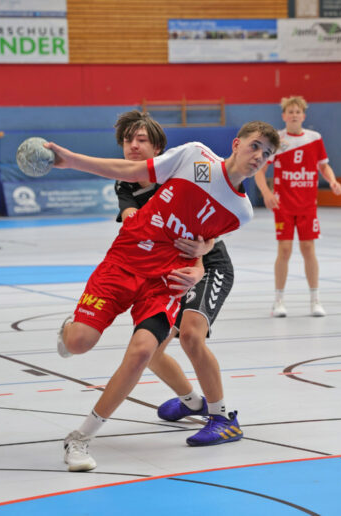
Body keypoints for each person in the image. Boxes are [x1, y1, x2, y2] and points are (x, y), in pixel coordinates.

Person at [46, 117, 280, 471]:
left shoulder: (241, 212)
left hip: (166, 279)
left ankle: (81, 437)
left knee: (150, 349)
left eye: (267, 153)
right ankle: (187, 398)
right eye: (255, 146)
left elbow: (205, 244)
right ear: (236, 144)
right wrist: (71, 160)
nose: (259, 156)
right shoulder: (194, 156)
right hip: (125, 261)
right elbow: (130, 170)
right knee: (79, 342)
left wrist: (198, 268)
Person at [113, 111, 235, 435]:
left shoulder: (178, 175)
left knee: (192, 336)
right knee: (149, 349)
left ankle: (223, 419)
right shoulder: (125, 181)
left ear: (157, 148)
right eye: (128, 140)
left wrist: (204, 248)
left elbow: (215, 223)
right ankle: (192, 402)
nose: (133, 145)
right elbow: (133, 219)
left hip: (208, 265)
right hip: (169, 271)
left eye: (141, 140)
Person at [254, 95, 341, 318]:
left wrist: (332, 181)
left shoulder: (314, 138)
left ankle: (315, 300)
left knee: (308, 249)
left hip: (307, 205)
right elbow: (260, 170)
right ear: (284, 116)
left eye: (297, 112)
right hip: (283, 205)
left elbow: (324, 167)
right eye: (290, 112)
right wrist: (266, 193)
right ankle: (278, 301)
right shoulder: (276, 140)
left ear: (303, 116)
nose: (294, 115)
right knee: (284, 250)